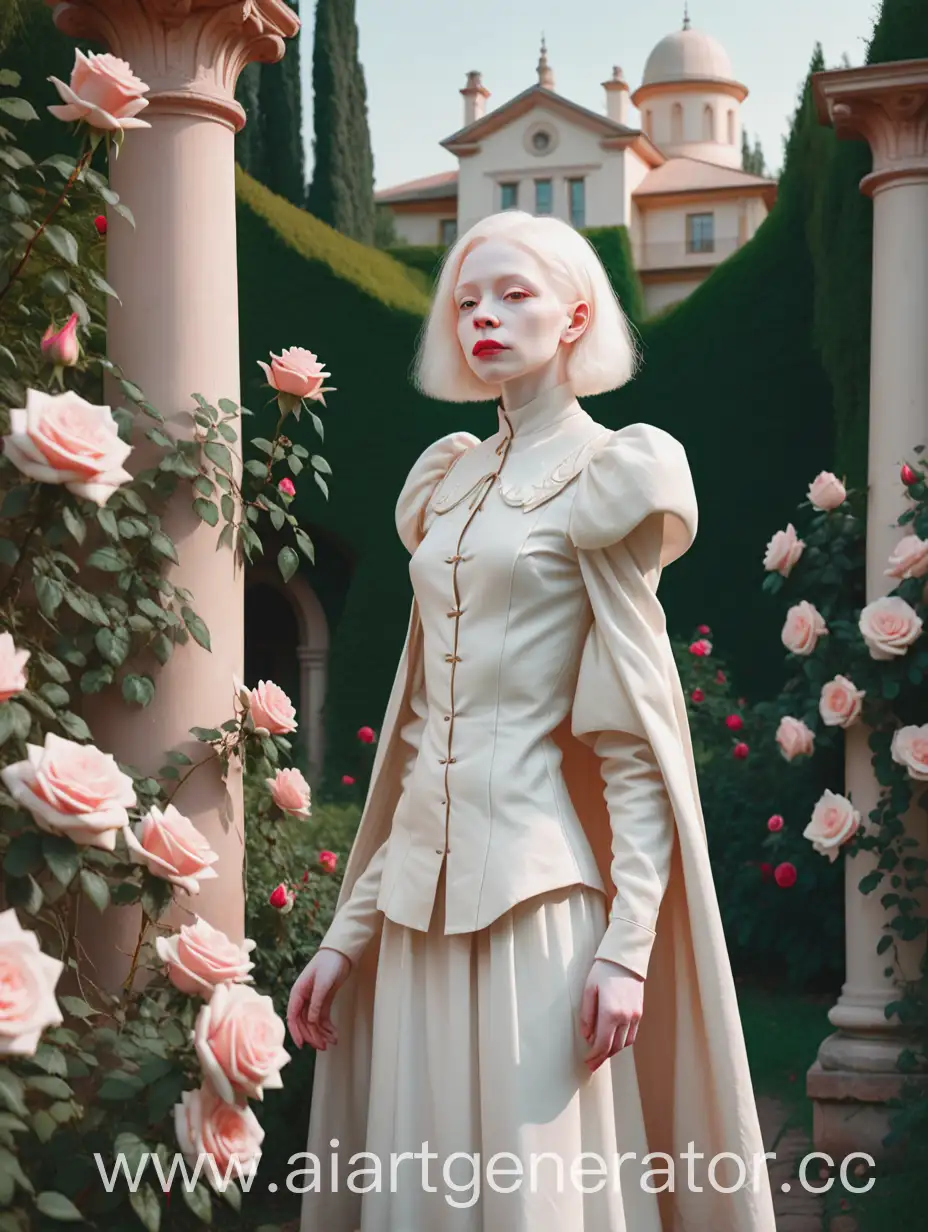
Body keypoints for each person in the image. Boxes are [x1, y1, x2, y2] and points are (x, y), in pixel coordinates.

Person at [289, 210, 776, 1231]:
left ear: (575, 316)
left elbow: (633, 743)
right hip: (415, 924)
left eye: (513, 293)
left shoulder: (616, 473)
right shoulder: (446, 481)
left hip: (538, 909)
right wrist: (345, 935)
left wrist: (625, 947)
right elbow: (422, 741)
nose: (483, 315)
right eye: (466, 299)